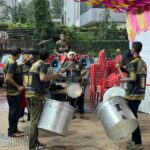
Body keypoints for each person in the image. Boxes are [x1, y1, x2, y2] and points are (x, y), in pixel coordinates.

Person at [25, 50, 60, 150]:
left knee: (34, 120)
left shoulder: (35, 64)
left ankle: (35, 142)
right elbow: (43, 78)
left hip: (29, 94)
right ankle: (32, 146)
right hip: (36, 95)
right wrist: (55, 75)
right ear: (48, 57)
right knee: (35, 122)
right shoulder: (43, 65)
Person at [119, 42, 147, 149]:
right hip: (139, 93)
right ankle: (134, 139)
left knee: (132, 118)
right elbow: (133, 74)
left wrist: (123, 79)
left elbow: (133, 78)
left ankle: (137, 142)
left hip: (132, 93)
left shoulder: (133, 63)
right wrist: (122, 68)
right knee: (132, 117)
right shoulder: (142, 62)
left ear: (133, 50)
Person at [3, 48, 24, 137]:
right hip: (13, 91)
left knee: (15, 110)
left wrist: (18, 66)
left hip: (12, 90)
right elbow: (8, 77)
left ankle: (14, 129)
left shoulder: (9, 59)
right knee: (14, 111)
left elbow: (10, 71)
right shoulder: (11, 63)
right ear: (18, 54)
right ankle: (11, 131)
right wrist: (18, 86)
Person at [61, 51, 88, 119]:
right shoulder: (66, 63)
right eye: (70, 55)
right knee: (71, 99)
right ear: (68, 56)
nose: (72, 56)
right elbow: (62, 71)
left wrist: (80, 77)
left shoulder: (79, 63)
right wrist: (68, 66)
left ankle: (81, 113)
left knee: (80, 97)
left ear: (75, 56)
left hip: (78, 83)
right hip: (70, 83)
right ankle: (72, 113)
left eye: (73, 55)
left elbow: (85, 71)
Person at [19, 51, 33, 122]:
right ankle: (21, 116)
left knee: (29, 100)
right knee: (22, 100)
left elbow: (32, 57)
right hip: (22, 83)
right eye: (25, 56)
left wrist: (30, 59)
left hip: (29, 82)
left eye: (28, 55)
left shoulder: (31, 62)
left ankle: (30, 116)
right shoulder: (21, 63)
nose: (26, 57)